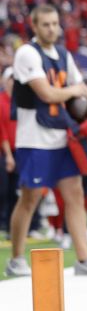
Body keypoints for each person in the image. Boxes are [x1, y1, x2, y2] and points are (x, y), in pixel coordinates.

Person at [6, 4, 87, 277]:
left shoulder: (63, 54)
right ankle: (16, 259)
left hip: (62, 136)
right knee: (30, 198)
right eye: (46, 24)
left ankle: (84, 259)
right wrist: (77, 91)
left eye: (55, 23)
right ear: (34, 25)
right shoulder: (27, 53)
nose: (52, 29)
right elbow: (47, 94)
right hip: (34, 138)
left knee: (76, 195)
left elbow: (82, 87)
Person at [0, 68, 16, 238]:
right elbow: (2, 130)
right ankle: (3, 222)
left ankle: (12, 226)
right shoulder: (1, 101)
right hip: (5, 152)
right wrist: (9, 156)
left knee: (15, 191)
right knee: (3, 190)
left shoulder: (18, 101)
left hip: (19, 150)